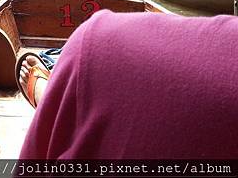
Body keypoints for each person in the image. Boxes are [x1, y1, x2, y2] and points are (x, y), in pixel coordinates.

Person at [16, 10, 238, 161]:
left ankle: (46, 97)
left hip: (101, 39)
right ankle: (52, 98)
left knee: (97, 46)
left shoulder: (97, 34)